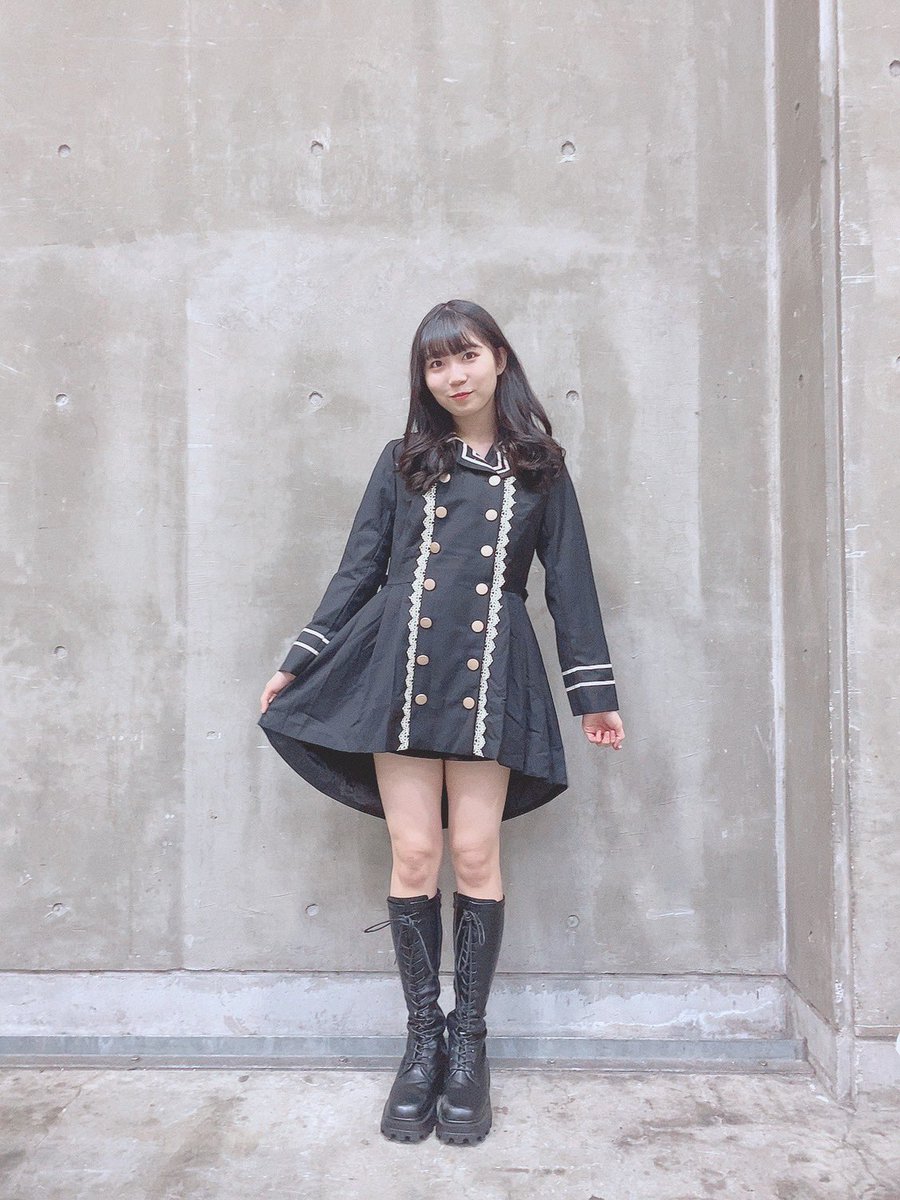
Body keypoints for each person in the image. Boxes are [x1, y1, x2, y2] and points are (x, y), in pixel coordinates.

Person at [258, 298, 625, 1145]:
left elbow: (570, 585)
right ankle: (422, 1042)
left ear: (499, 359)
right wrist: (300, 659)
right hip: (403, 671)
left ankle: (470, 1047)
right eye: (436, 363)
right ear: (422, 378)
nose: (453, 375)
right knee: (417, 854)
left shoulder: (541, 468)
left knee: (475, 854)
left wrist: (593, 695)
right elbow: (358, 570)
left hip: (492, 669)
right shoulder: (404, 461)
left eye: (466, 356)